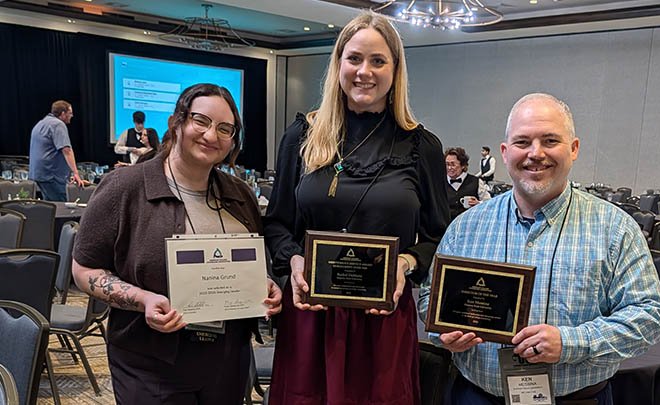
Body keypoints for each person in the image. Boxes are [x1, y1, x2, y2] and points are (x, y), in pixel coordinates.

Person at [418, 93, 660, 404]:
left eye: (550, 141)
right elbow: (430, 298)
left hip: (575, 399)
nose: (536, 153)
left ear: (574, 149)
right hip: (475, 396)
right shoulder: (466, 227)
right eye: (523, 142)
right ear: (506, 153)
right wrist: (444, 334)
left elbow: (650, 316)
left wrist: (571, 342)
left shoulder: (615, 229)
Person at [264, 11, 449, 405]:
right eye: (354, 59)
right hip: (310, 313)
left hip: (383, 322)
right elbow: (278, 223)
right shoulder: (302, 135)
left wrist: (407, 264)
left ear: (395, 70)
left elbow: (437, 235)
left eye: (378, 61)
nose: (364, 71)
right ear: (338, 64)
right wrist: (293, 261)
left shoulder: (422, 146)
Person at [71, 83, 282, 404]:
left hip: (227, 358)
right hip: (149, 359)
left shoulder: (241, 196)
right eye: (201, 121)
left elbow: (241, 265)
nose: (212, 136)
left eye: (225, 128)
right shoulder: (126, 188)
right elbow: (84, 268)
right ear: (177, 122)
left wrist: (261, 285)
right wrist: (142, 299)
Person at [29, 100, 84, 201]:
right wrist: (76, 173)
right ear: (63, 113)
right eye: (70, 113)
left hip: (40, 174)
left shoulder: (41, 123)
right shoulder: (58, 125)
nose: (72, 116)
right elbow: (66, 150)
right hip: (52, 175)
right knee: (61, 207)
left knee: (50, 207)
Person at [445, 147, 491, 220]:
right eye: (447, 164)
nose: (449, 168)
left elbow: (490, 203)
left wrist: (479, 203)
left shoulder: (476, 182)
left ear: (463, 165)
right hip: (446, 228)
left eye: (453, 164)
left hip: (470, 226)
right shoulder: (440, 183)